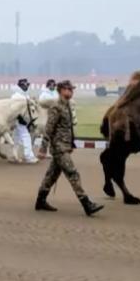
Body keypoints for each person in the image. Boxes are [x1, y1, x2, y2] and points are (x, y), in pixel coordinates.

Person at [35, 81, 104, 216]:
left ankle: (40, 201)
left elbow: (68, 128)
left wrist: (71, 144)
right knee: (73, 173)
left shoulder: (66, 106)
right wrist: (43, 148)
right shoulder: (57, 107)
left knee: (51, 176)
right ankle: (86, 204)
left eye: (72, 90)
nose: (71, 92)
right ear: (60, 90)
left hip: (64, 146)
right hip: (59, 147)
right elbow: (49, 129)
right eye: (68, 89)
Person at [10, 78, 38, 164]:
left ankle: (13, 155)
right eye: (24, 85)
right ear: (20, 86)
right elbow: (13, 109)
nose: (26, 86)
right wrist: (20, 119)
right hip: (18, 120)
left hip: (24, 120)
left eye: (26, 85)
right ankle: (29, 156)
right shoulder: (16, 96)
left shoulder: (25, 95)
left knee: (16, 138)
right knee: (26, 137)